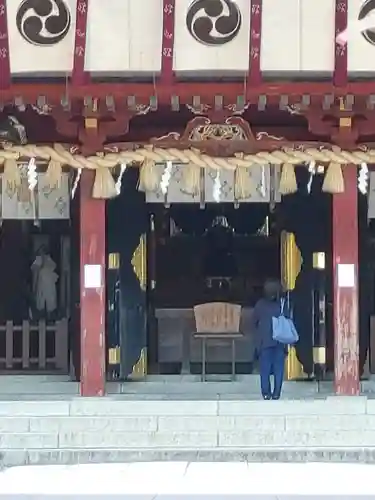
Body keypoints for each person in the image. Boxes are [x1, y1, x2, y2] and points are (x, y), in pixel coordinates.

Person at [252, 279, 289, 400]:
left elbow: (254, 322)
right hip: (280, 341)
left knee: (265, 369)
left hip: (264, 341)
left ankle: (266, 393)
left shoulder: (260, 304)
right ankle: (277, 393)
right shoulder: (282, 304)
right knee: (279, 369)